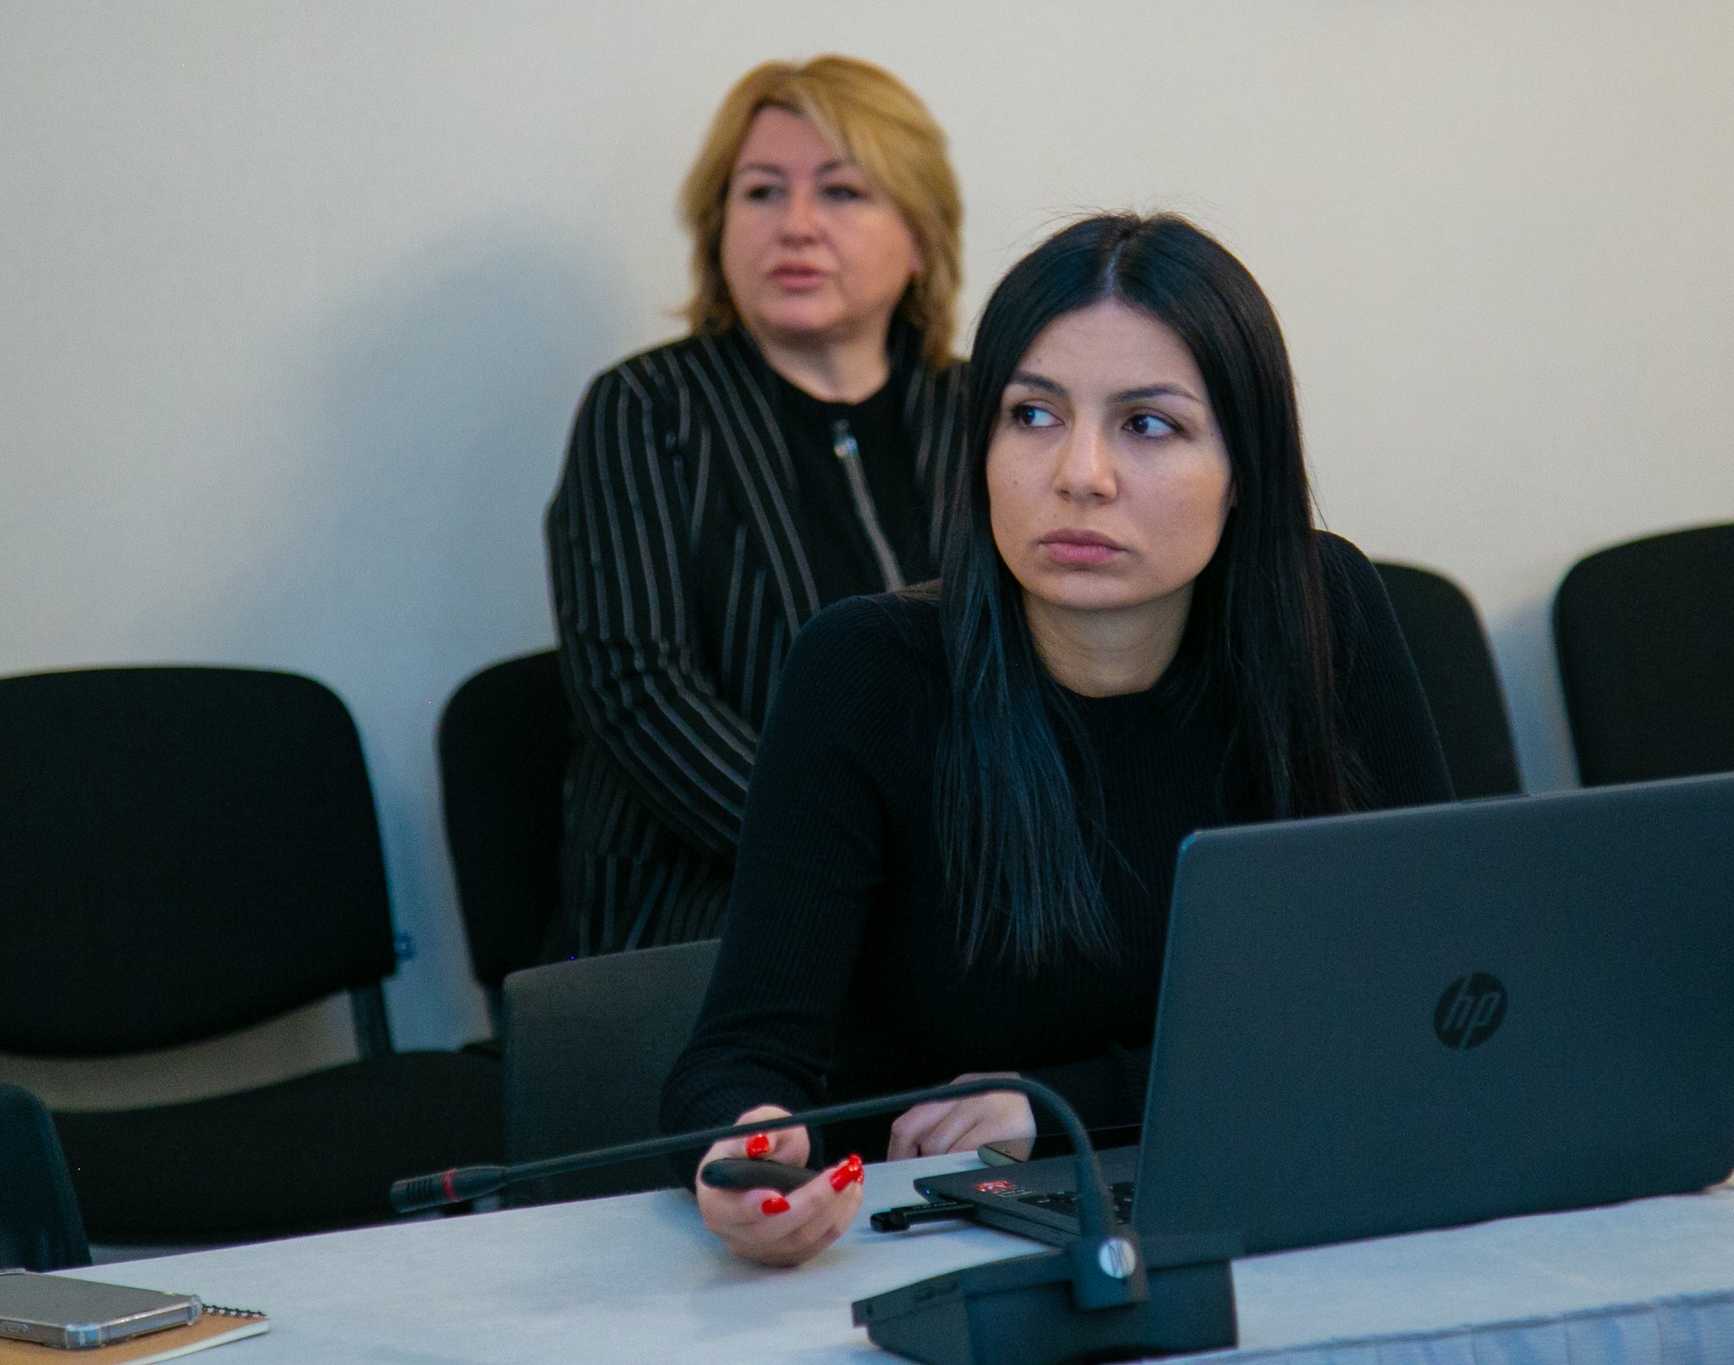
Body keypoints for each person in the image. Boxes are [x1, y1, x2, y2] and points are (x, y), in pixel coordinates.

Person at [660, 212, 1455, 1266]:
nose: (1080, 473)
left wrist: (1060, 1103)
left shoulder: (1324, 614)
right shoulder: (865, 673)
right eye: (1031, 415)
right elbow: (738, 1056)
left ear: (1245, 467)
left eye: (1148, 425)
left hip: (1289, 1210)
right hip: (940, 1245)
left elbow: (1430, 993)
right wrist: (744, 1147)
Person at [544, 56, 970, 959]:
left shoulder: (987, 412)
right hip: (714, 906)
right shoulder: (645, 410)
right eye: (762, 192)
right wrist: (855, 860)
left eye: (843, 192)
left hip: (967, 893)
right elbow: (639, 691)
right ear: (718, 231)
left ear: (920, 238)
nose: (797, 225)